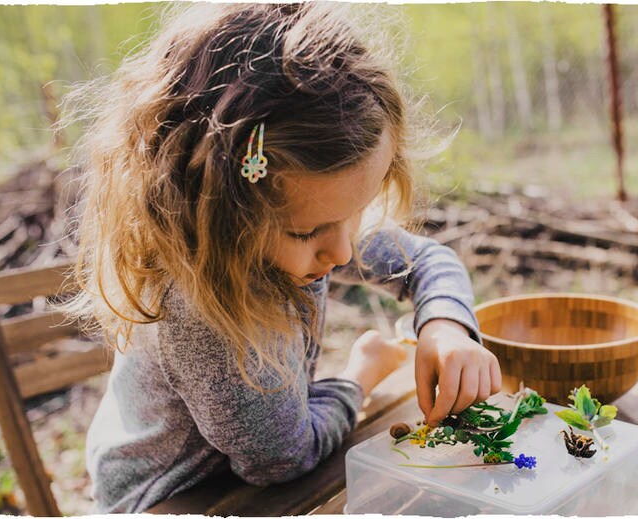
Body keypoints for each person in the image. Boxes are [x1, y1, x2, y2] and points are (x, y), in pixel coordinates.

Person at [62, 3, 501, 513]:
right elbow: (281, 461)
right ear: (222, 217)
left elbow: (426, 261)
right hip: (170, 498)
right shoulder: (204, 316)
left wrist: (445, 326)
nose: (341, 252)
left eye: (357, 211)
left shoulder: (308, 216)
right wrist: (360, 376)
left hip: (247, 472)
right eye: (307, 232)